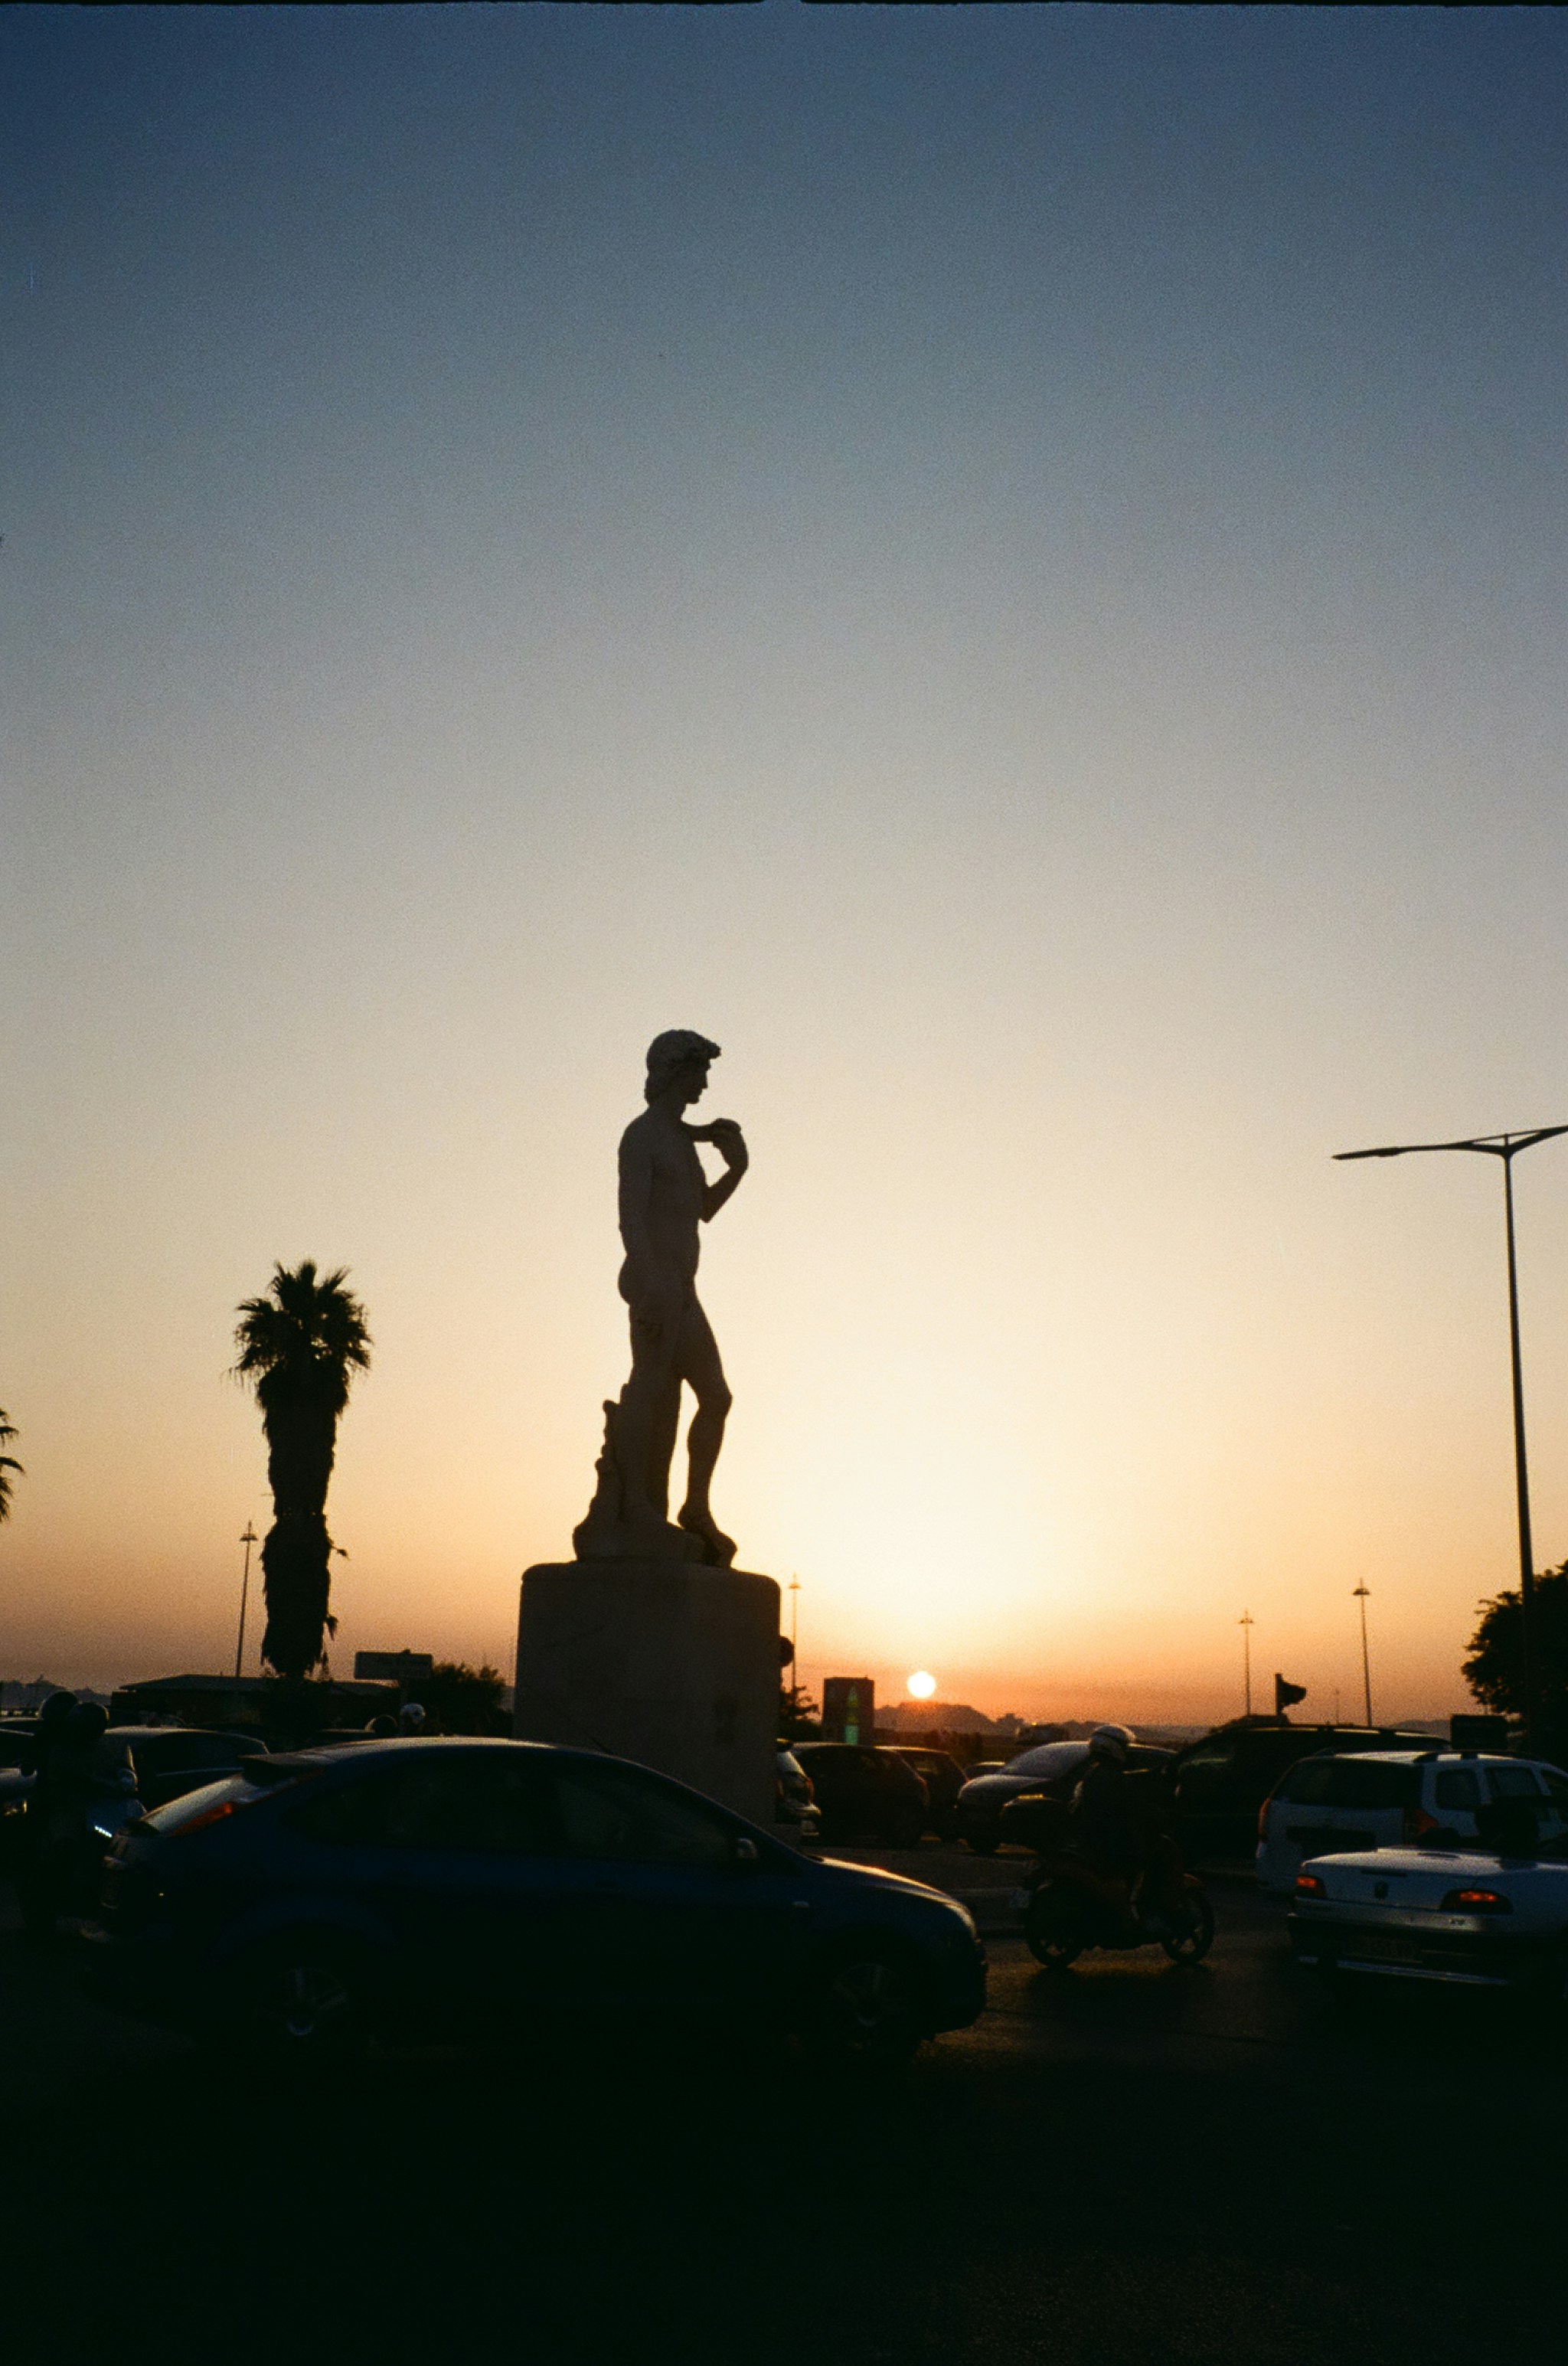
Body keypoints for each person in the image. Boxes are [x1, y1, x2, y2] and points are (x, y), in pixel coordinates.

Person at [596, 1030, 749, 1563]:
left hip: (683, 1289)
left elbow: (701, 1209)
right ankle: (637, 1506)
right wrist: (651, 1282)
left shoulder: (680, 1141)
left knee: (716, 1397)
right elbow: (630, 1217)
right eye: (699, 1071)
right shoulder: (642, 1137)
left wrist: (737, 1169)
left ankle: (695, 1509)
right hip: (657, 1286)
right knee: (649, 1391)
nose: (706, 1082)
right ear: (674, 1072)